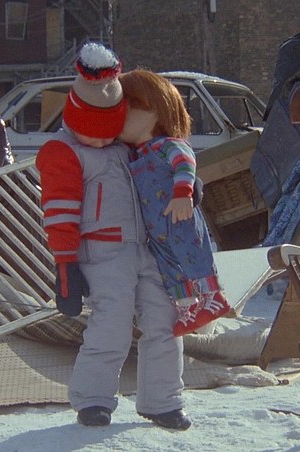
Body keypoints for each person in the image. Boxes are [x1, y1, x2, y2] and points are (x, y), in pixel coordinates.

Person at [35, 43, 191, 430]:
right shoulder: (63, 151)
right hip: (102, 253)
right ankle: (92, 399)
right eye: (94, 135)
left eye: (109, 134)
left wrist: (186, 186)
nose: (103, 142)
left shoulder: (126, 147)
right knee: (112, 325)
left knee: (166, 321)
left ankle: (162, 400)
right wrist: (65, 263)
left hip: (149, 249)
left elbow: (164, 166)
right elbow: (60, 212)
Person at [118, 69, 231, 337]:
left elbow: (185, 162)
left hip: (178, 214)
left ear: (153, 110)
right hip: (156, 228)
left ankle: (213, 295)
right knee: (170, 266)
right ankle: (187, 305)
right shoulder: (134, 154)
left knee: (192, 253)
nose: (120, 118)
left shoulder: (166, 145)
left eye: (127, 109)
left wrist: (183, 193)